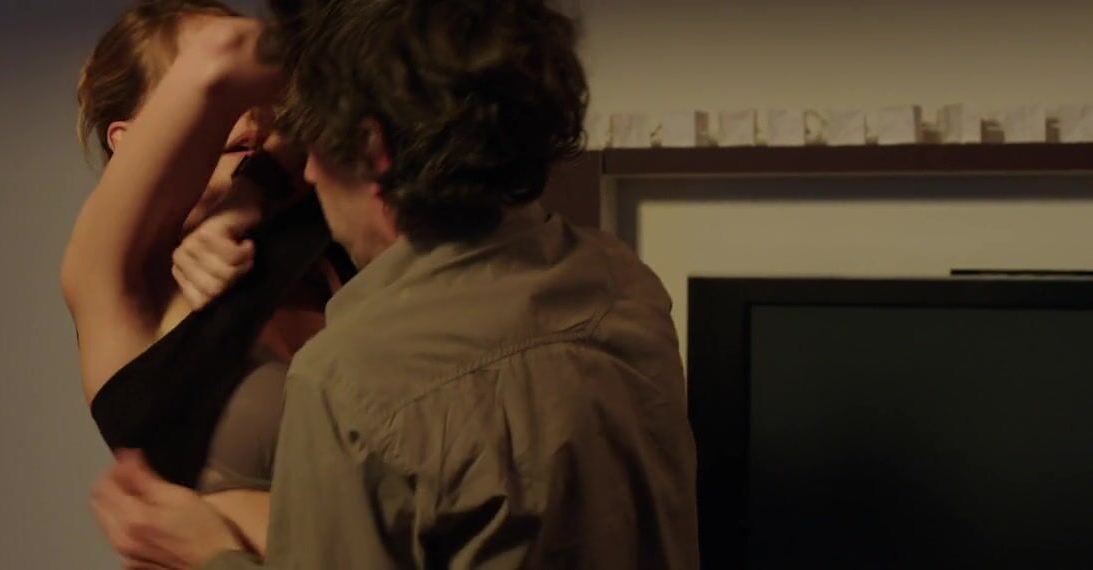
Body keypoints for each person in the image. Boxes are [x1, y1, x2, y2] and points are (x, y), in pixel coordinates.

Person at [90, 1, 701, 568]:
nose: (286, 147)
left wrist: (212, 555)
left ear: (369, 145)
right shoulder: (624, 285)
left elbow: (228, 57)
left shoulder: (348, 358)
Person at [62, 0, 340, 561]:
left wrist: (251, 193)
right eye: (224, 101)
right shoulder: (115, 279)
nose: (250, 110)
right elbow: (223, 59)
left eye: (258, 93)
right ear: (128, 139)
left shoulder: (333, 221)